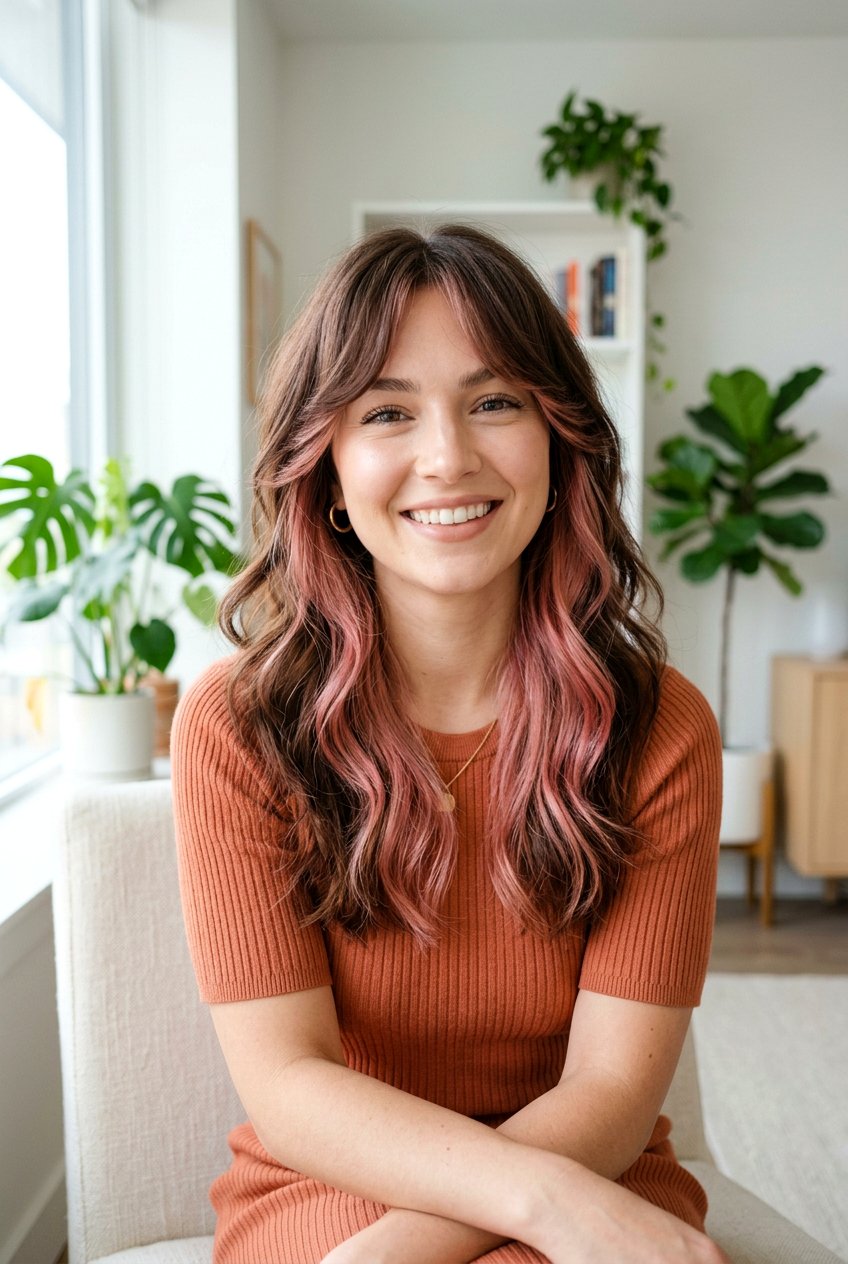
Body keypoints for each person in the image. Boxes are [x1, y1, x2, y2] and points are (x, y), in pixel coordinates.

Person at [171, 222, 729, 1264]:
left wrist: (541, 1210)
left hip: (589, 1163)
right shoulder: (238, 727)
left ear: (558, 443)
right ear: (325, 470)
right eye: (387, 411)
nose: (448, 457)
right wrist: (505, 1217)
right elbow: (290, 1085)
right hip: (333, 1177)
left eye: (493, 402)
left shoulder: (660, 728)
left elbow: (610, 1091)